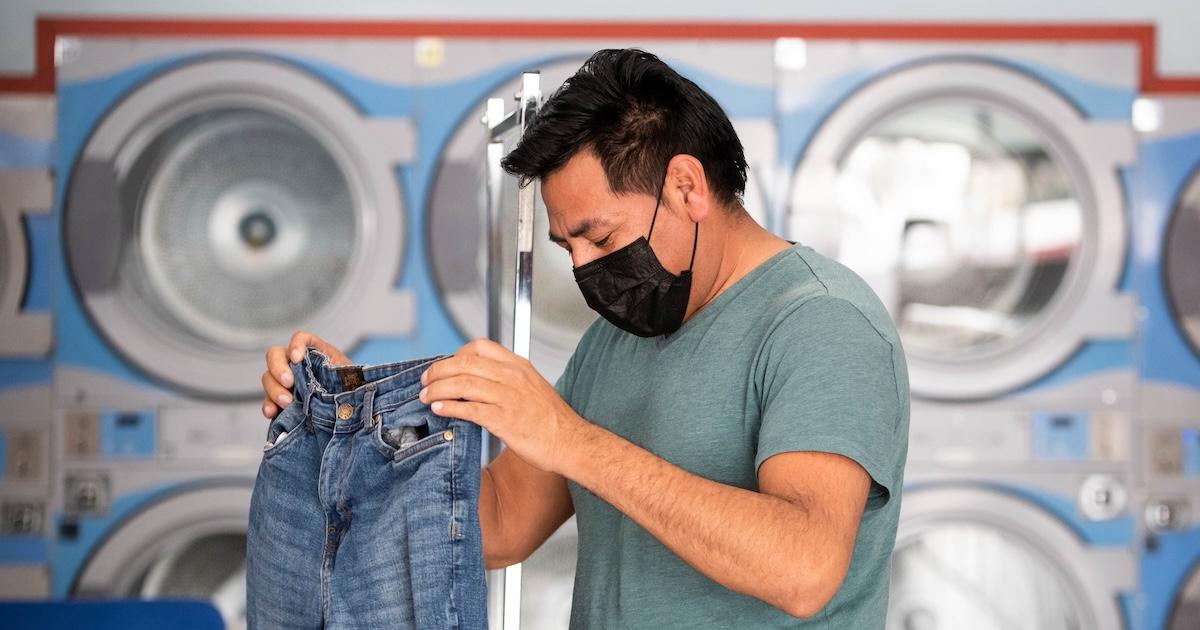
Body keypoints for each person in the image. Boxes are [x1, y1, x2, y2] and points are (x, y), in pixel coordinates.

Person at [259, 48, 910, 628]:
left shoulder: (819, 324)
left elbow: (804, 569)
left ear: (686, 187)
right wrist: (360, 420)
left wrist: (573, 441)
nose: (583, 269)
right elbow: (504, 522)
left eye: (599, 236)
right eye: (567, 247)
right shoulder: (616, 341)